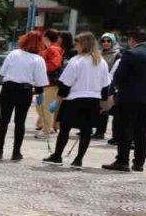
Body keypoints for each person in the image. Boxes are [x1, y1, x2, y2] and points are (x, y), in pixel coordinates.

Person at [44, 33, 111, 169]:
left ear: (83, 45)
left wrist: (57, 101)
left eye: (77, 43)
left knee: (65, 129)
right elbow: (105, 86)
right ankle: (78, 160)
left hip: (74, 100)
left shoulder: (76, 61)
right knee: (86, 131)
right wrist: (102, 103)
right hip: (93, 100)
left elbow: (65, 85)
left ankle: (57, 155)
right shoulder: (101, 62)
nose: (76, 46)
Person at [104, 27, 146, 173]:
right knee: (143, 130)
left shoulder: (130, 54)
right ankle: (139, 163)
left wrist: (116, 92)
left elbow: (119, 77)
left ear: (132, 40)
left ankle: (122, 161)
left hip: (129, 98)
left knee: (125, 129)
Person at [0, 32, 50, 161]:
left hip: (8, 88)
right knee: (20, 122)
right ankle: (16, 152)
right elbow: (41, 83)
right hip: (24, 91)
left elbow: (3, 72)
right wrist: (37, 93)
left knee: (4, 120)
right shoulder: (38, 59)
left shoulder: (13, 54)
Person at [36, 28, 64, 135]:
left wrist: (42, 68)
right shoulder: (54, 49)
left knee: (45, 106)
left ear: (46, 37)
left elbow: (55, 63)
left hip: (49, 83)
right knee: (43, 106)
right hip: (49, 82)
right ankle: (48, 127)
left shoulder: (52, 49)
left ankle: (47, 130)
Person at [95, 33, 122, 141]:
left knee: (105, 108)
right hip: (96, 83)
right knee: (96, 107)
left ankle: (101, 131)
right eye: (103, 41)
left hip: (109, 84)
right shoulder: (98, 53)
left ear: (113, 42)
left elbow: (115, 71)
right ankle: (95, 128)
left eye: (108, 41)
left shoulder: (117, 55)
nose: (106, 43)